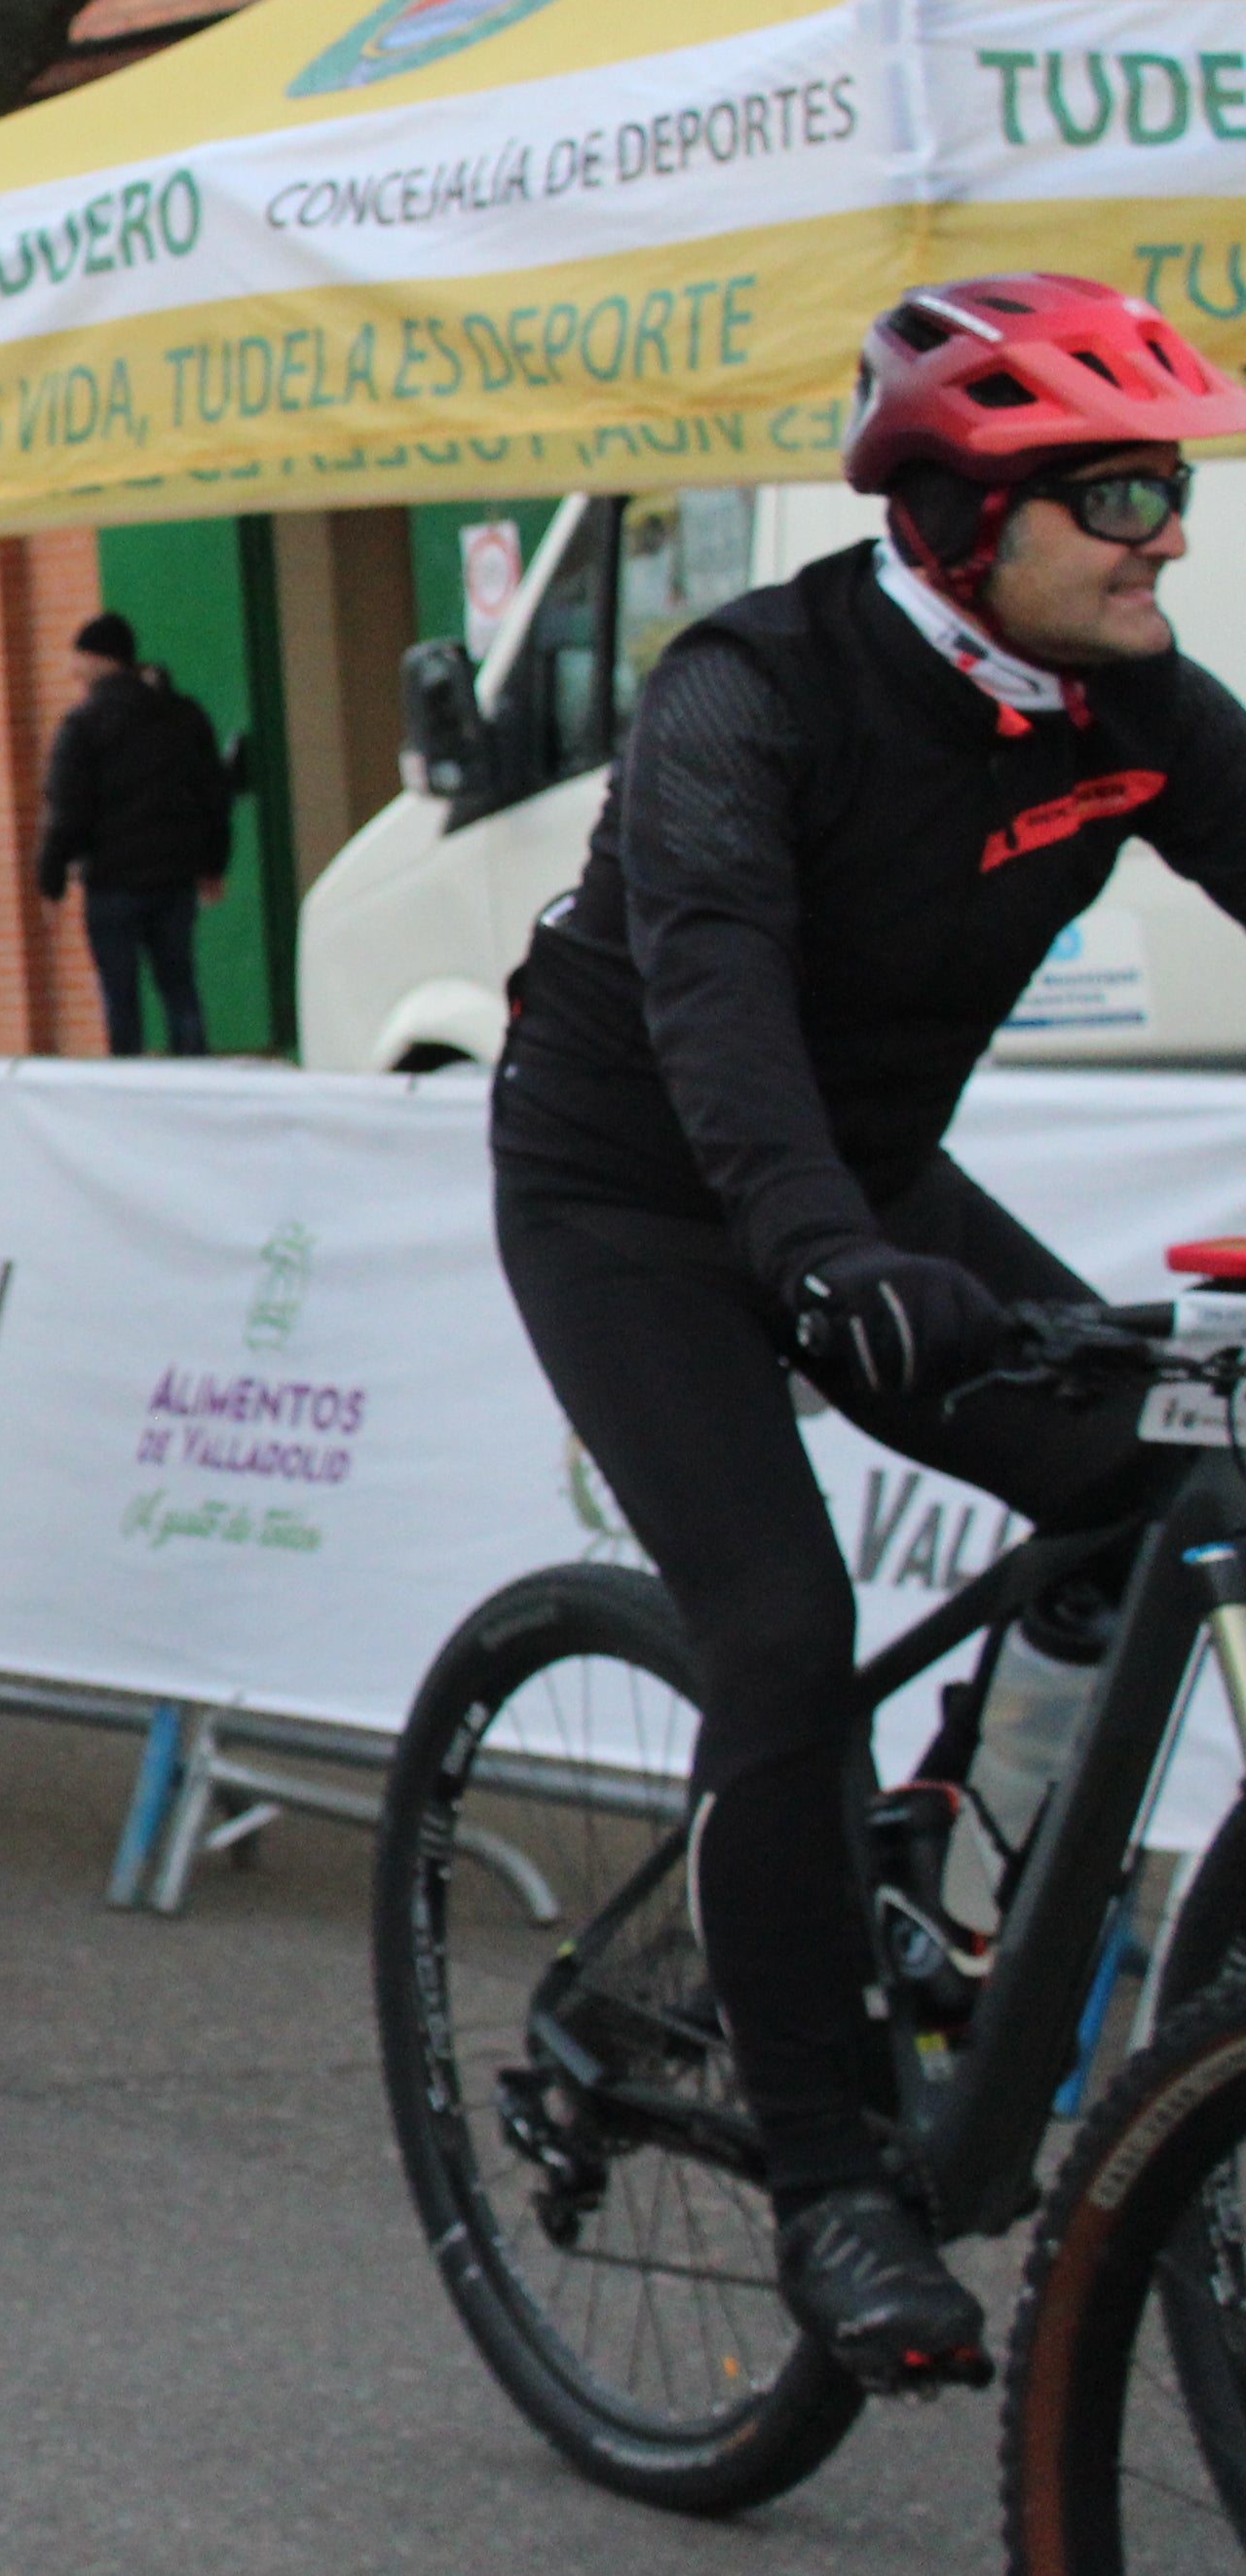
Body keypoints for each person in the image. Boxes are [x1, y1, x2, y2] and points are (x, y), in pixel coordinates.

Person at [496, 274, 1246, 2390]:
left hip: (867, 1170)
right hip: (635, 1189)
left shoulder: (1133, 702)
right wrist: (821, 1258)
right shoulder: (750, 688)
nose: (1161, 533)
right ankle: (830, 2177)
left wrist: (859, 1225)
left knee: (1154, 1465)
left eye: (1168, 484)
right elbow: (717, 997)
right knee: (781, 1629)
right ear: (948, 521)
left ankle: (932, 1858)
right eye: (1115, 493)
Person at [35, 610, 235, 1054]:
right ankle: (196, 1073)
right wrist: (213, 864)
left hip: (113, 883)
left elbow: (66, 810)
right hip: (174, 880)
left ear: (96, 659)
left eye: (79, 657)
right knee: (179, 986)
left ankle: (130, 1083)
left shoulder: (83, 726)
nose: (73, 669)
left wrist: (50, 879)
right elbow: (212, 796)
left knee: (120, 998)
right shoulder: (184, 716)